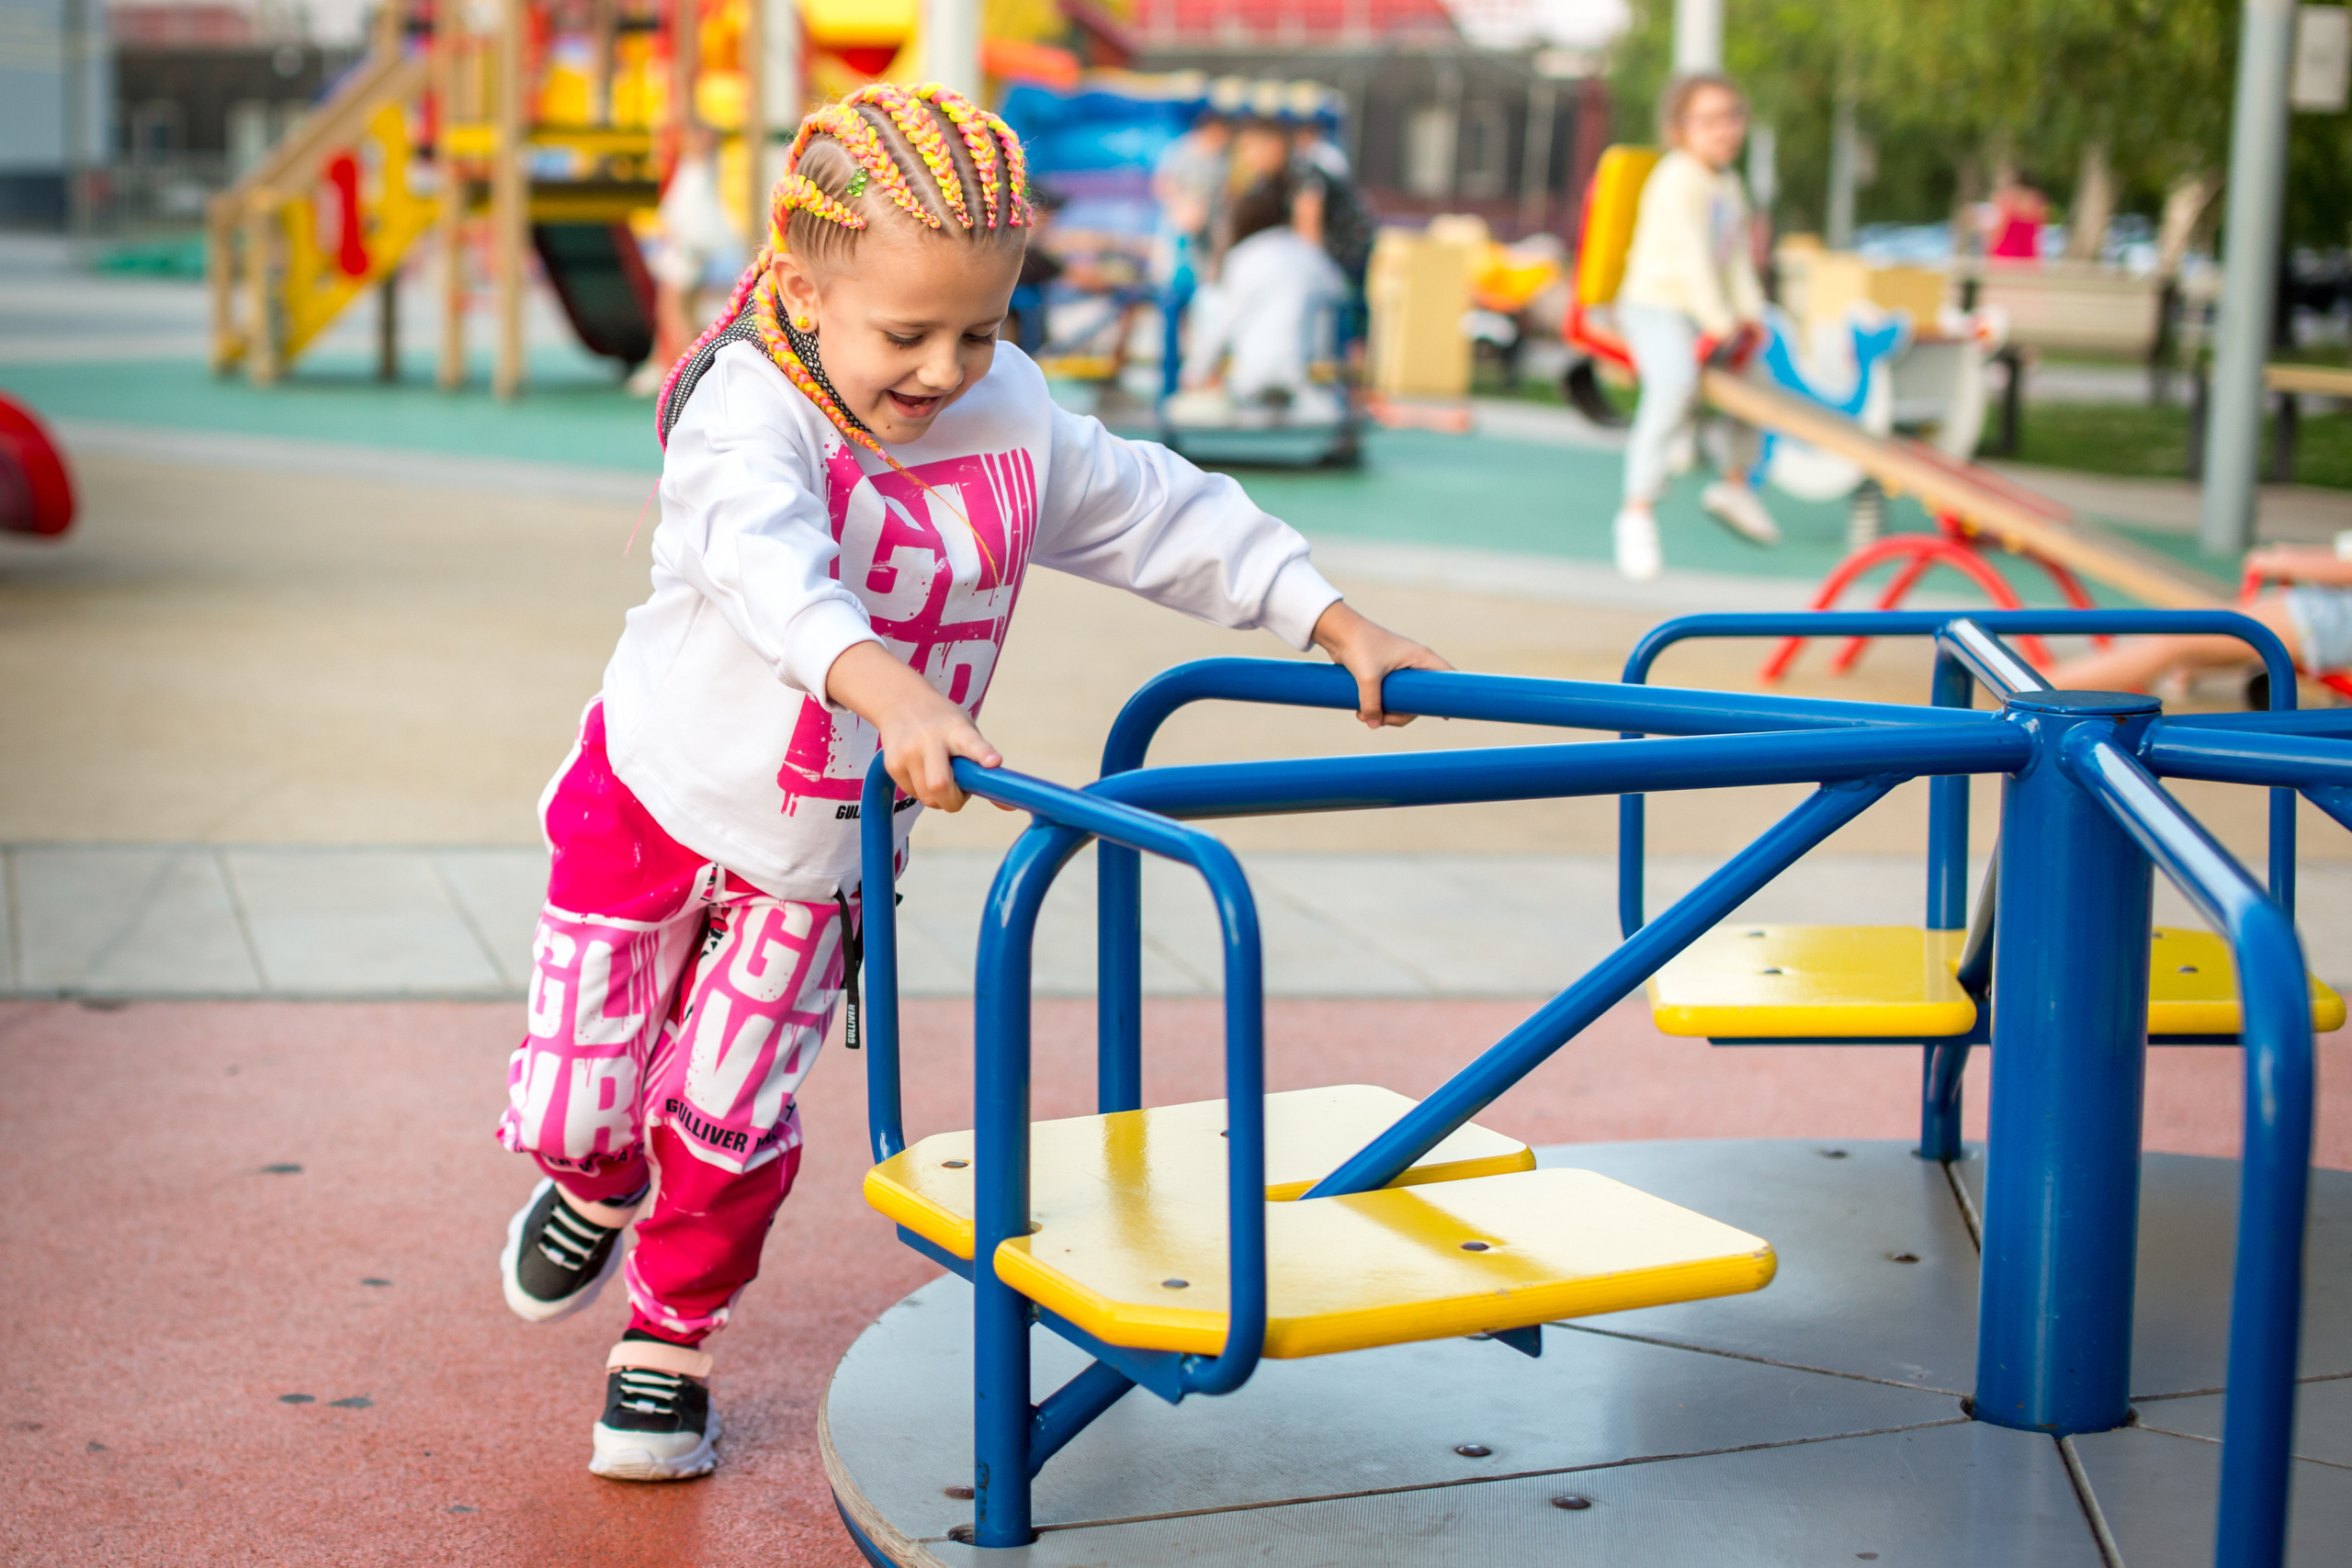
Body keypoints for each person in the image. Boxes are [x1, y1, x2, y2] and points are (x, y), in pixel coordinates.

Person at [493, 82, 1448, 1484]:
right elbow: (768, 563)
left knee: (730, 1106)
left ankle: (668, 1337)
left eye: (982, 328)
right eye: (907, 333)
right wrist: (888, 687)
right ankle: (589, 1177)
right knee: (585, 1099)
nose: (945, 368)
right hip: (655, 787)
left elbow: (1155, 509)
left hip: (821, 846)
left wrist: (1325, 611)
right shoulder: (747, 409)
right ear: (808, 290)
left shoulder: (1008, 413)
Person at [1611, 71, 1779, 581]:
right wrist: (1721, 320)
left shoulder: (1728, 184)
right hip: (1656, 305)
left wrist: (1750, 313)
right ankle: (1636, 510)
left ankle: (1733, 482)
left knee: (1759, 384)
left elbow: (1734, 264)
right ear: (1681, 128)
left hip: (1703, 312)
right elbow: (1691, 262)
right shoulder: (1677, 177)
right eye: (1709, 121)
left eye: (1732, 118)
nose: (1724, 130)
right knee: (1674, 384)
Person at [2051, 542, 2352, 694]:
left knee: (2175, 637)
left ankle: (2045, 688)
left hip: (2331, 618)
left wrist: (2285, 562)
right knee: (2192, 639)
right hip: (2328, 613)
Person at [1173, 170, 1348, 424]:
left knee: (1208, 299)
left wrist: (1193, 372)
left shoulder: (1243, 257)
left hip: (1252, 380)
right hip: (1306, 380)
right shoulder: (1310, 255)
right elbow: (1339, 294)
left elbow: (1225, 321)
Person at [629, 120, 748, 396]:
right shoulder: (700, 166)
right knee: (682, 309)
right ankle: (683, 366)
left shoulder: (697, 163)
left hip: (685, 244)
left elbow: (684, 118)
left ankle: (693, 370)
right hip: (689, 244)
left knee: (672, 309)